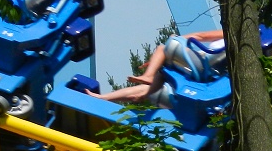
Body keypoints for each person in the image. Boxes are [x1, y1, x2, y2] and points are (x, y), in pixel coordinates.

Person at [88, 29, 225, 105]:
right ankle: (104, 98)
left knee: (164, 46)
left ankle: (148, 74)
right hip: (209, 72)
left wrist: (178, 40)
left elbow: (200, 36)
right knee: (155, 84)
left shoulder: (228, 33)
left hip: (203, 63)